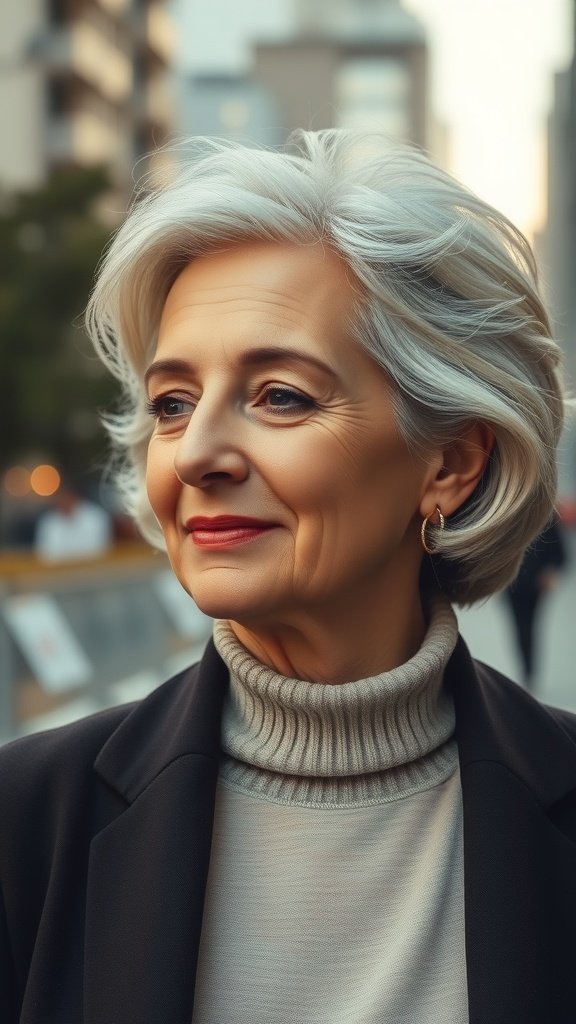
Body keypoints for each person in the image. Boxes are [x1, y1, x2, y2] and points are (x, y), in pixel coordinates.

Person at [1, 130, 574, 1024]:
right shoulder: (25, 824)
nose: (196, 454)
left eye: (281, 395)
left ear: (452, 462)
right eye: (173, 403)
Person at [504, 516, 567, 686]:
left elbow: (560, 553)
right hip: (511, 585)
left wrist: (550, 572)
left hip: (535, 587)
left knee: (529, 628)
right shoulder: (510, 516)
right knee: (519, 628)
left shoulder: (547, 518)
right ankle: (526, 669)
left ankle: (529, 671)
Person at [33, 479, 112, 562]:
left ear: (74, 496)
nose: (62, 501)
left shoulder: (96, 516)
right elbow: (44, 557)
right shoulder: (48, 522)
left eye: (65, 496)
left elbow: (101, 551)